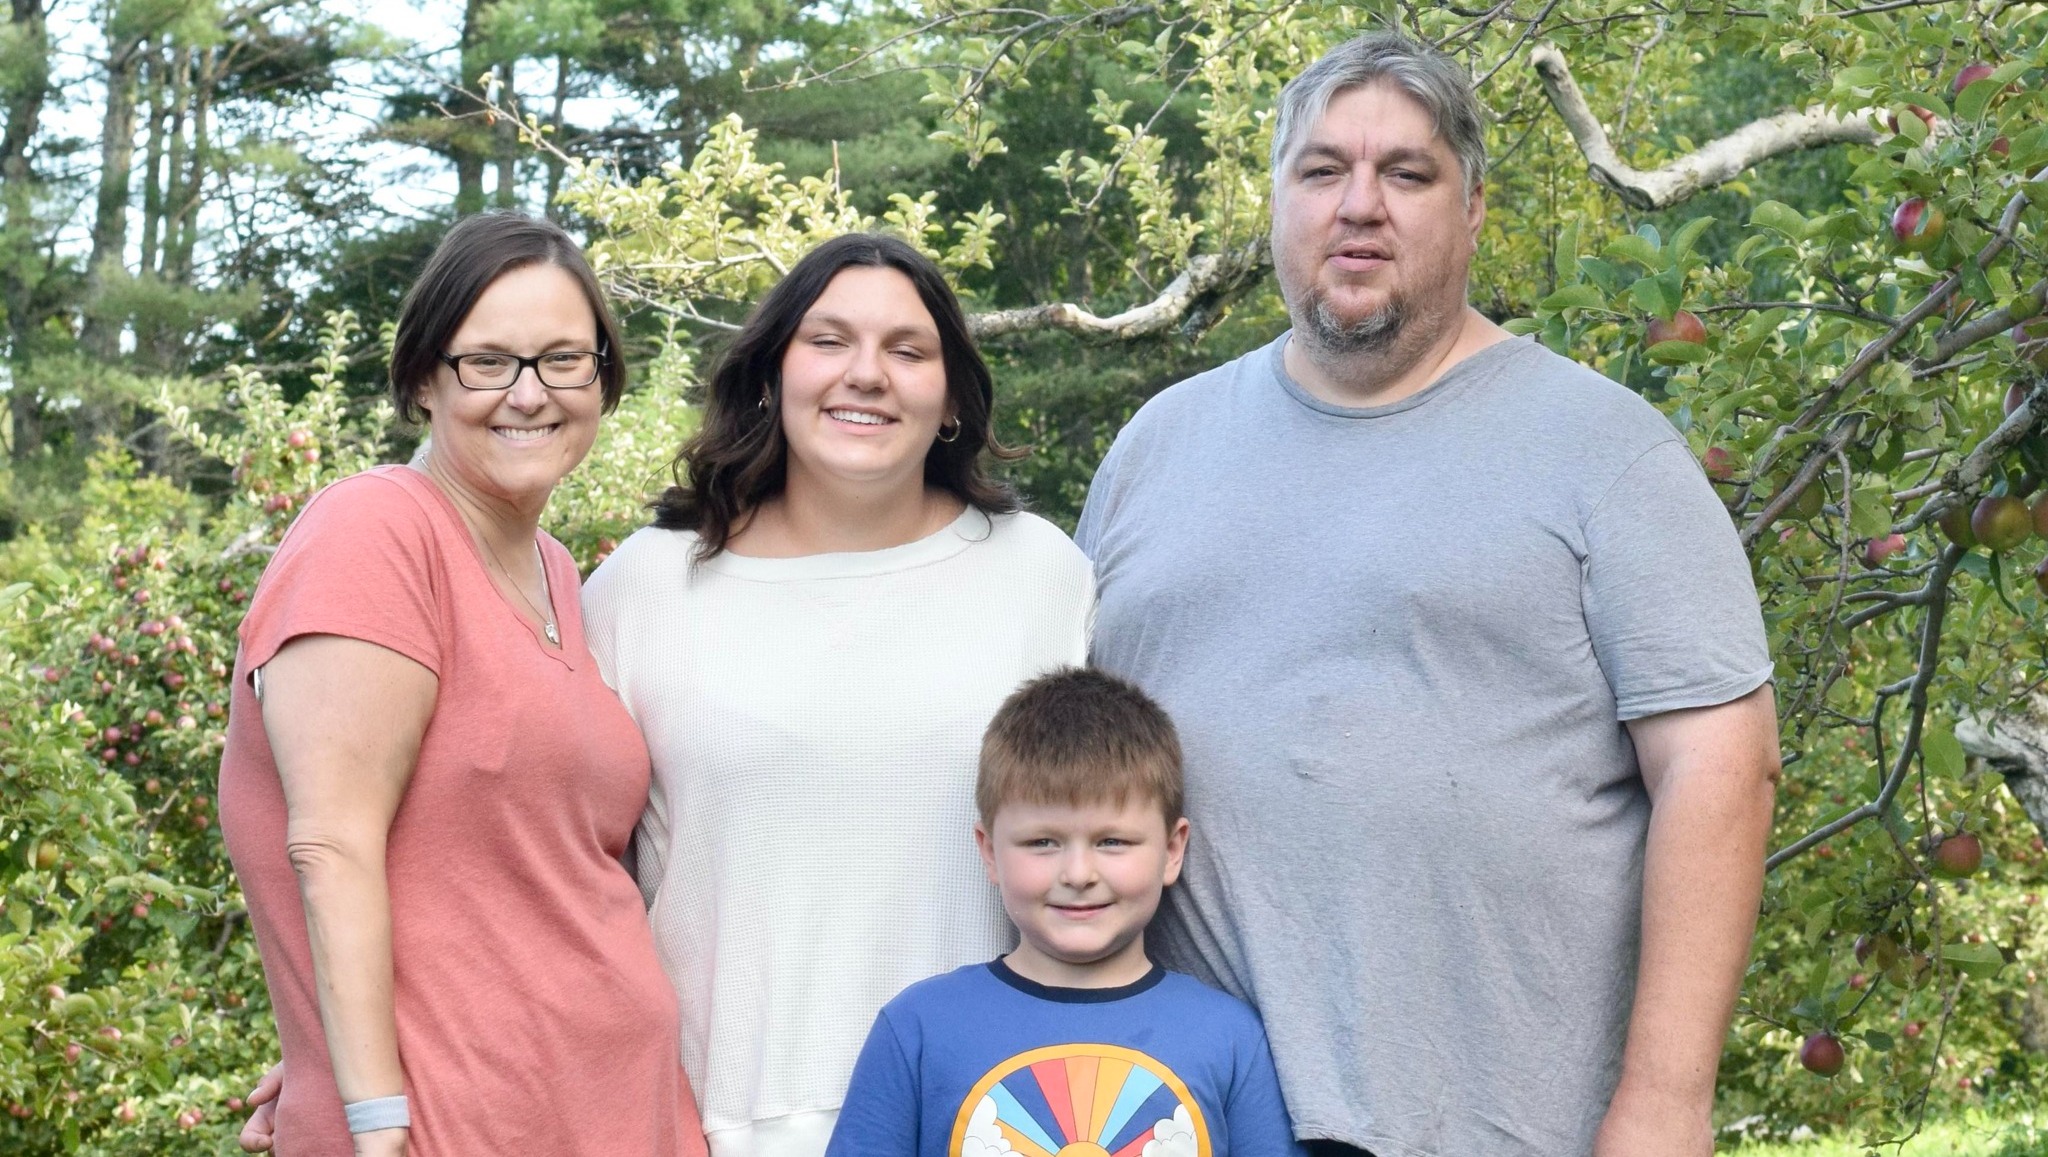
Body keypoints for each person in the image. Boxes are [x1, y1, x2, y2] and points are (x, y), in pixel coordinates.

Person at [1074, 31, 1780, 1157]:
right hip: (1168, 1120)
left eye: (1406, 173)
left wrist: (1663, 1100)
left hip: (1495, 1124)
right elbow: (1061, 762)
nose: (1359, 205)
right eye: (1322, 170)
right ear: (1276, 201)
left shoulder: (1606, 452)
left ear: (1473, 209)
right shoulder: (1157, 447)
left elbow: (1722, 768)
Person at [580, 232, 1095, 1157]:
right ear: (772, 373)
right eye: (828, 341)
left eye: (907, 349)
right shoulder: (644, 585)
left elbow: (1115, 844)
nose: (867, 373)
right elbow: (561, 869)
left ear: (950, 398)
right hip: (717, 1125)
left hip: (994, 1118)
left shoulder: (1043, 575)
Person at [219, 212, 704, 1157]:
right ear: (423, 379)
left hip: (618, 1109)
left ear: (603, 377)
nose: (529, 392)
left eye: (563, 359)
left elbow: (511, 877)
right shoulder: (374, 532)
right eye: (487, 361)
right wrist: (369, 1107)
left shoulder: (556, 569)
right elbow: (330, 845)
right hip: (451, 1128)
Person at [825, 667, 1306, 1157]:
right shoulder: (918, 1028)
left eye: (1112, 841)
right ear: (989, 851)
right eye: (1042, 842)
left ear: (1171, 850)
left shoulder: (1231, 1037)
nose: (1078, 874)